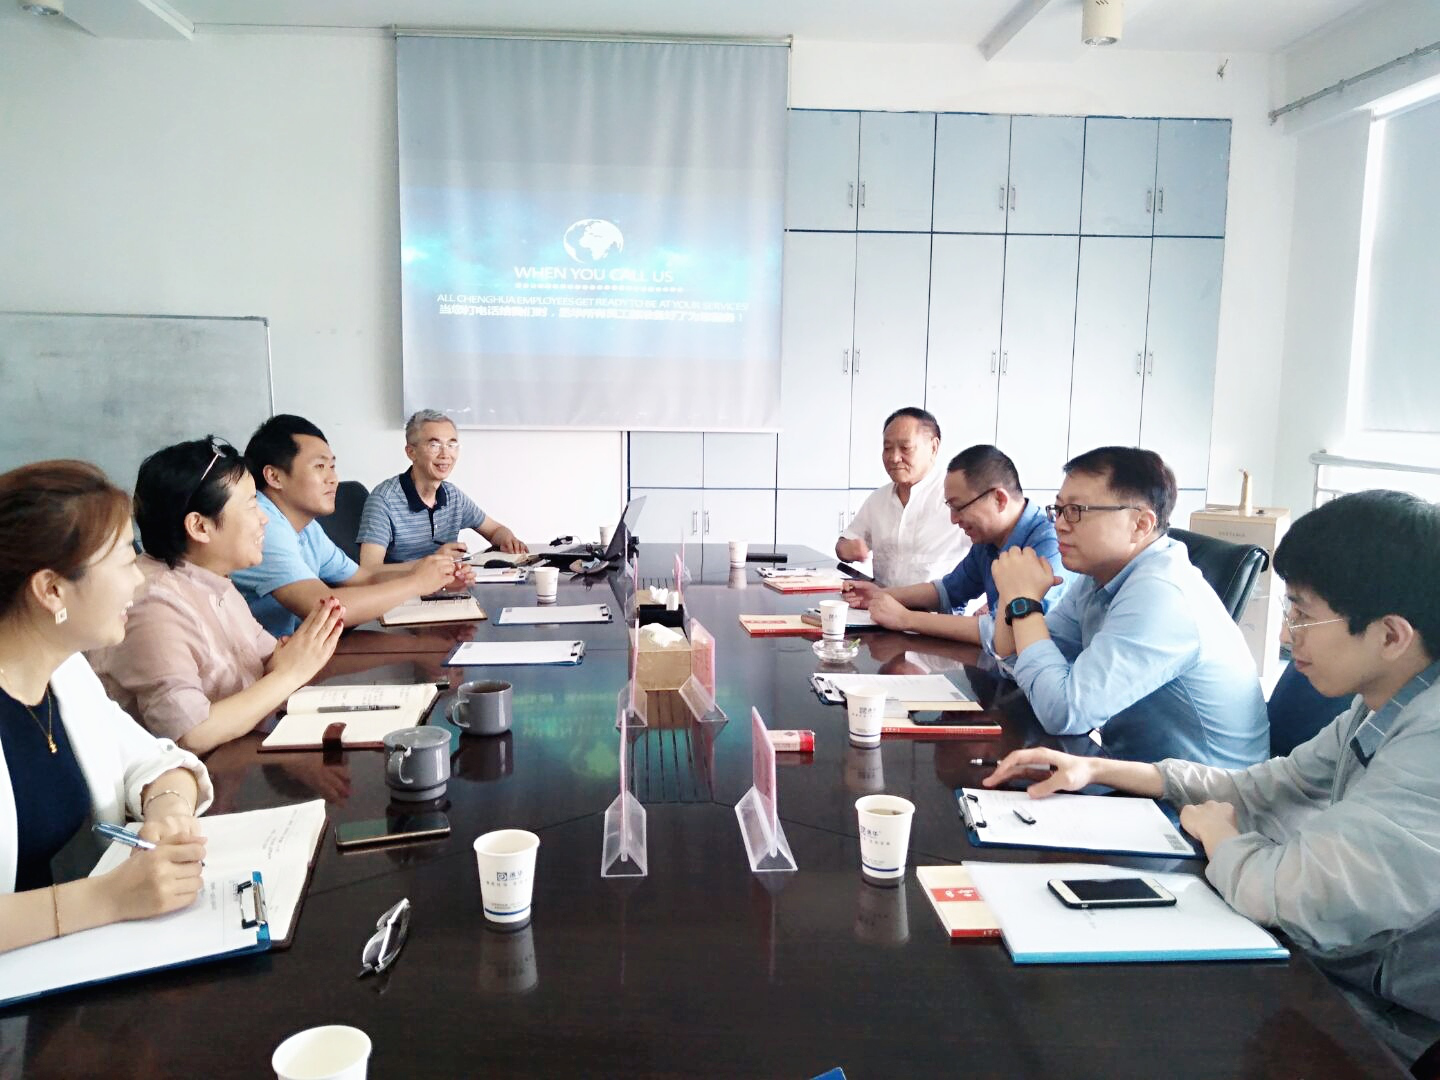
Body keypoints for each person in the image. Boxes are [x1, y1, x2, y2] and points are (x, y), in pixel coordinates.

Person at [984, 489, 1440, 1068]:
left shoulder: (1430, 746)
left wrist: (1220, 834)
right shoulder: (1384, 702)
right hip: (1335, 959)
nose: (1285, 636)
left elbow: (1286, 895)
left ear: (1391, 635)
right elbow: (1262, 784)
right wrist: (1096, 768)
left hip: (1390, 1024)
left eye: (1303, 614)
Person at [0, 460, 212, 954]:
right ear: (52, 590)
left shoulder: (65, 672)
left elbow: (156, 760)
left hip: (69, 959)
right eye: (123, 561)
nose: (138, 581)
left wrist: (168, 811)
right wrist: (107, 898)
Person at [987, 446, 1267, 768]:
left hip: (1200, 793)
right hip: (1126, 770)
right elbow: (1015, 657)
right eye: (1059, 510)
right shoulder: (1099, 575)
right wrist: (1012, 591)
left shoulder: (1162, 594)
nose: (1059, 525)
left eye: (1076, 510)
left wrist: (1023, 603)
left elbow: (1063, 712)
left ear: (1140, 524)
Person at [89, 438, 345, 755]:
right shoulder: (153, 604)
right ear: (200, 526)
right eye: (251, 505)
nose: (264, 518)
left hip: (243, 754)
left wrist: (298, 655)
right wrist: (290, 673)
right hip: (204, 774)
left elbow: (271, 658)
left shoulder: (212, 578)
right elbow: (191, 733)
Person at [231, 415, 464, 637]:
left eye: (332, 466)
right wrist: (416, 583)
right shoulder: (263, 525)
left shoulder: (307, 526)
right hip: (260, 660)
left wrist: (433, 571)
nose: (333, 479)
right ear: (274, 477)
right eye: (319, 467)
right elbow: (323, 609)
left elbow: (364, 577)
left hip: (295, 650)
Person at [844, 444, 1072, 644]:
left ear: (999, 499)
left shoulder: (1050, 546)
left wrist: (907, 619)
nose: (953, 519)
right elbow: (949, 591)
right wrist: (883, 594)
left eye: (958, 507)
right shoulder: (987, 540)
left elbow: (1009, 632)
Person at [357, 409, 527, 568]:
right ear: (411, 452)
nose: (445, 455)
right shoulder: (384, 501)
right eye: (434, 445)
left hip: (447, 586)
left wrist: (508, 539)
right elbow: (369, 570)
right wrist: (433, 561)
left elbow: (495, 530)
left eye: (451, 445)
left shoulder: (452, 495)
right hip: (402, 589)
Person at [835, 407, 970, 587]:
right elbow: (844, 543)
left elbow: (994, 552)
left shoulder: (958, 498)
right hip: (882, 601)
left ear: (933, 447)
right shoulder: (878, 499)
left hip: (939, 604)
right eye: (887, 448)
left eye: (905, 448)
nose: (894, 457)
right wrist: (846, 549)